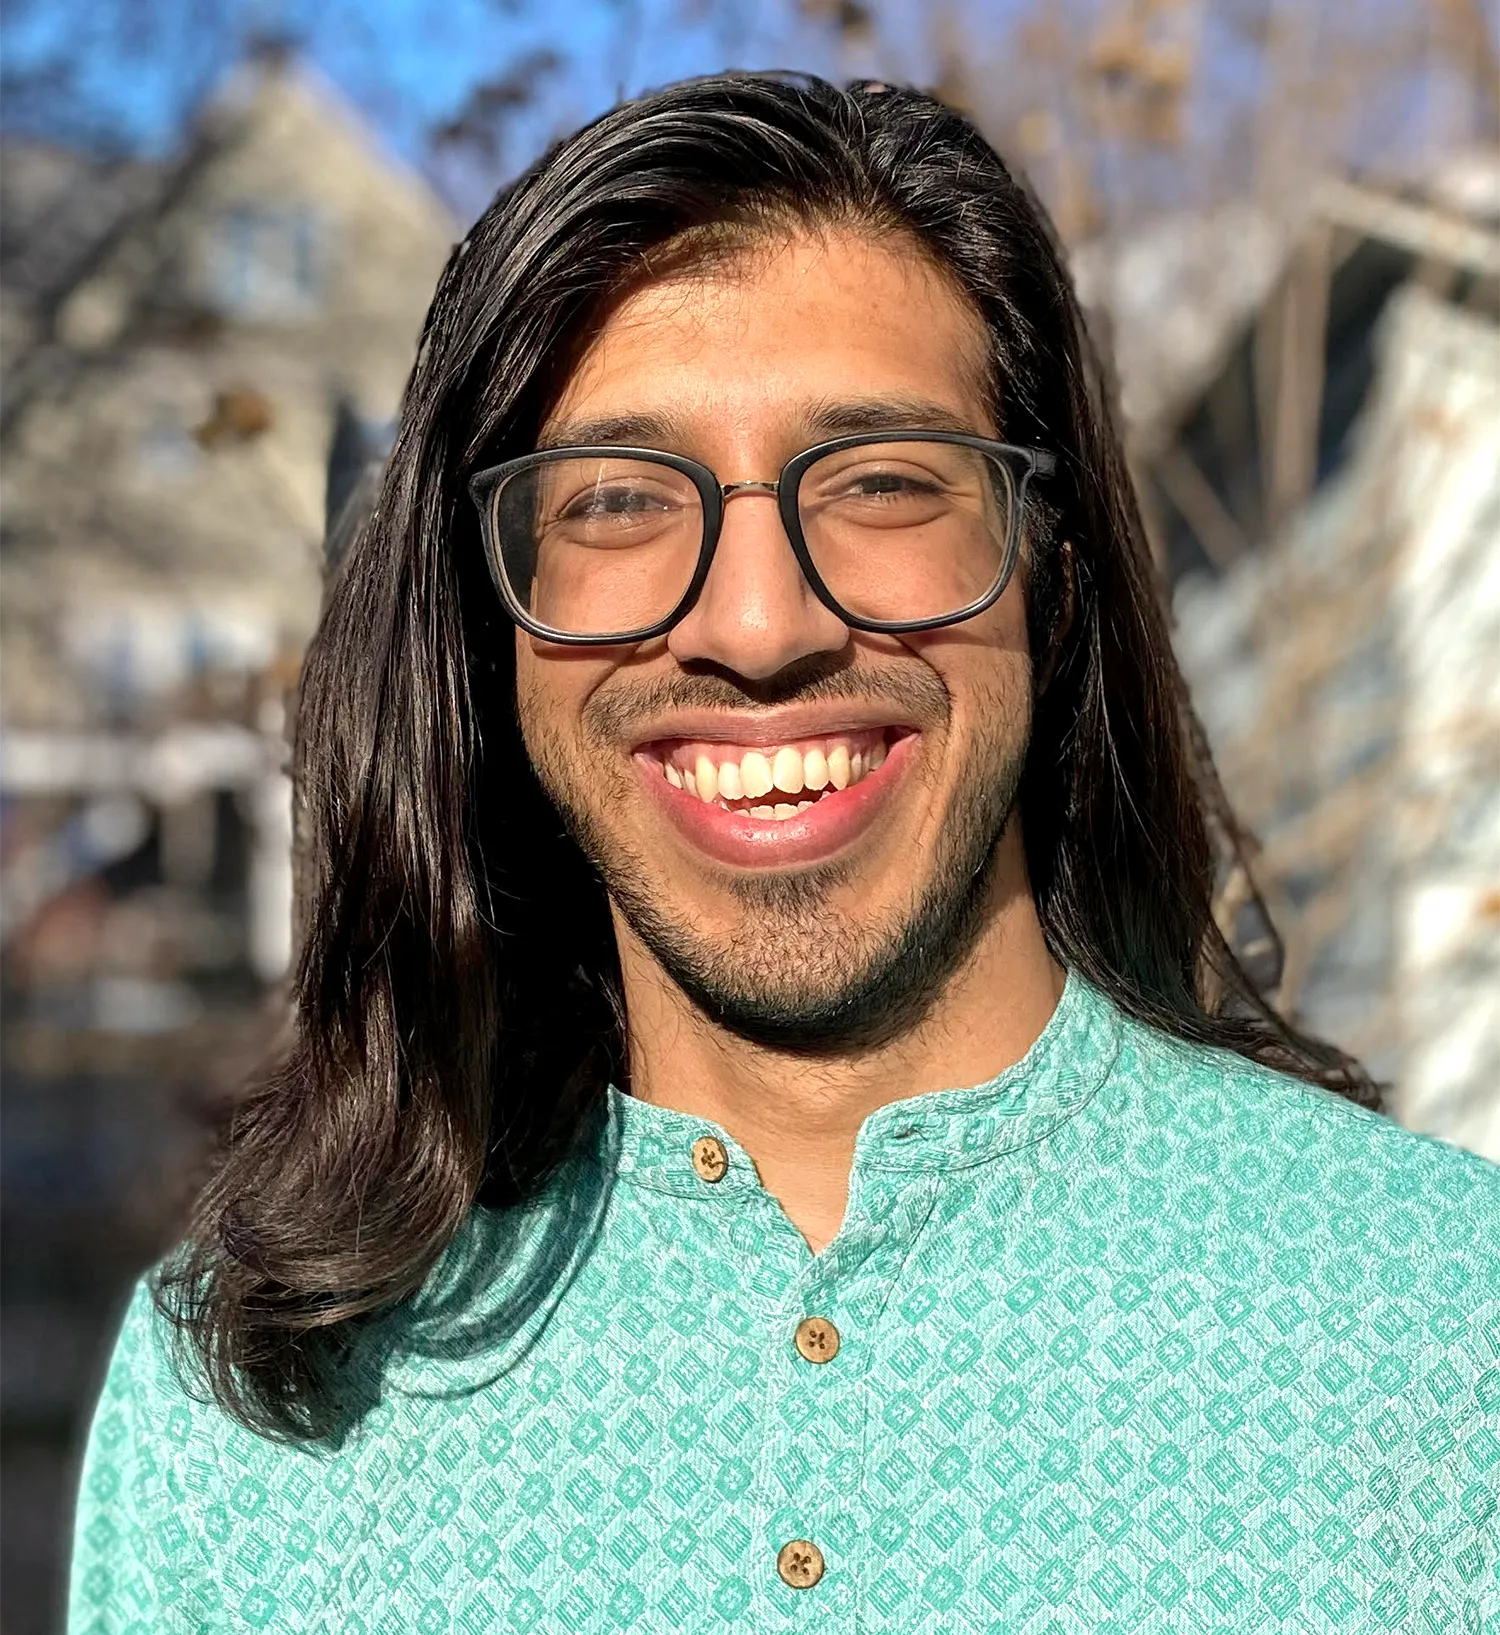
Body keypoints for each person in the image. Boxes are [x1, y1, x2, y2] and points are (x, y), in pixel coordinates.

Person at [70, 73, 1498, 1634]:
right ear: (493, 637)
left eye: (882, 480)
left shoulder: (1441, 1322)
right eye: (619, 499)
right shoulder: (251, 1390)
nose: (758, 624)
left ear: (1054, 578)